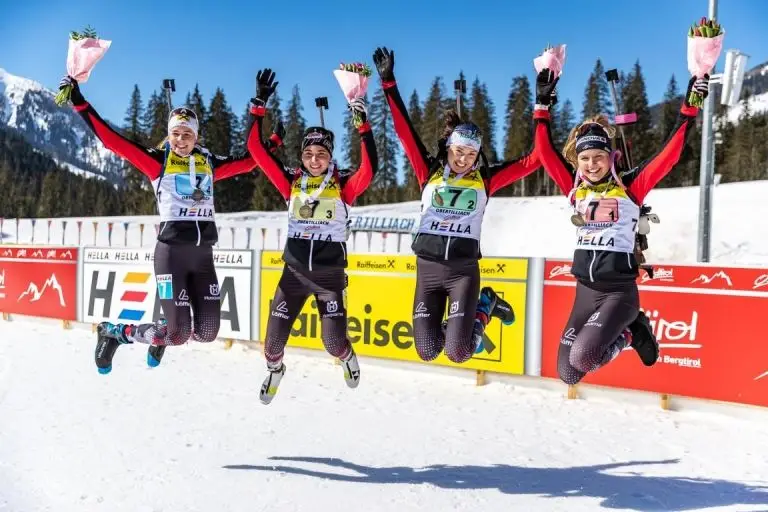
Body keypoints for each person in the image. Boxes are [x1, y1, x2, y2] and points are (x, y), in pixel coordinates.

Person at [59, 75, 283, 374]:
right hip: (171, 257)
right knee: (178, 335)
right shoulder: (157, 162)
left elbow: (248, 161)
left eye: (187, 134)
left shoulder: (208, 163)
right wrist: (79, 101)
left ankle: (163, 328)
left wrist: (273, 141)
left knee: (207, 332)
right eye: (175, 134)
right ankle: (115, 332)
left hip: (202, 257)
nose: (181, 140)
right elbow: (111, 140)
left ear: (196, 136)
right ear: (169, 135)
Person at [532, 66, 709, 385]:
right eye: (585, 159)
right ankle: (633, 330)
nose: (592, 164)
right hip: (585, 292)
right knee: (568, 373)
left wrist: (689, 107)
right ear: (578, 160)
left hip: (618, 293)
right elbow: (544, 153)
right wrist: (542, 106)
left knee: (584, 356)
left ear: (610, 157)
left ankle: (631, 331)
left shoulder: (629, 186)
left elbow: (668, 157)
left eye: (598, 157)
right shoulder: (576, 190)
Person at [372, 47, 534, 365]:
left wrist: (543, 106)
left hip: (462, 273)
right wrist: (389, 83)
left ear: (478, 156)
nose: (463, 159)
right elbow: (404, 133)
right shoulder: (428, 171)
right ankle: (479, 309)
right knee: (427, 350)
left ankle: (484, 304)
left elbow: (534, 160)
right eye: (458, 151)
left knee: (458, 352)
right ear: (449, 148)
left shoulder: (485, 179)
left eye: (471, 154)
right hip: (428, 272)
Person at [246, 69, 378, 405]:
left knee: (333, 343)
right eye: (308, 154)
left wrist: (363, 126)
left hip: (329, 278)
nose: (315, 159)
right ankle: (275, 370)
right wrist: (258, 105)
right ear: (301, 157)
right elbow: (256, 152)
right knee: (272, 344)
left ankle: (347, 358)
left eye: (321, 154)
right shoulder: (290, 182)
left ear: (330, 156)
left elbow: (370, 168)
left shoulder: (344, 185)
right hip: (292, 276)